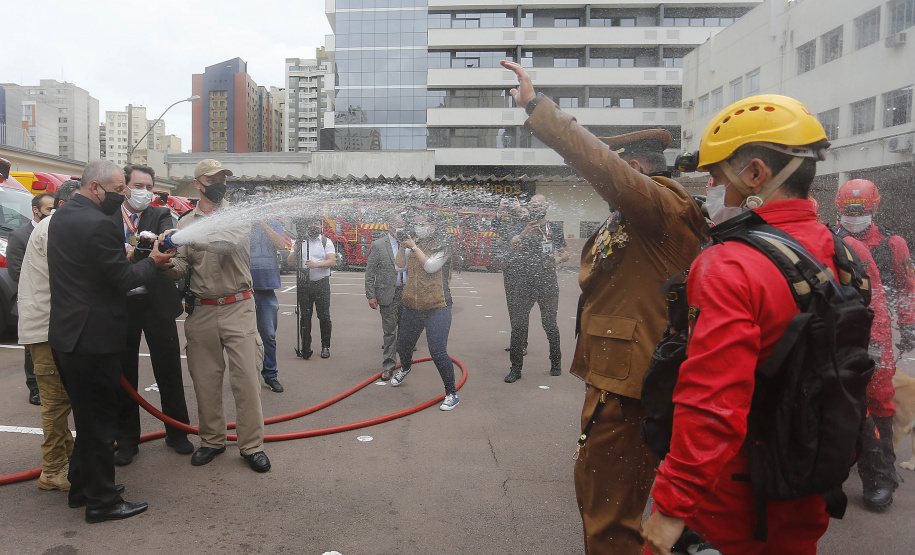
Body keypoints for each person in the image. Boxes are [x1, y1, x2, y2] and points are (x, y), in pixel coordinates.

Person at [501, 59, 706, 554]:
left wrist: (537, 108)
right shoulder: (639, 219)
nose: (609, 188)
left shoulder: (660, 206)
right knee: (603, 495)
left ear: (634, 171)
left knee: (610, 515)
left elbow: (596, 162)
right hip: (617, 375)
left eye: (619, 177)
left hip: (631, 385)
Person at [641, 95, 839, 555]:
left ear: (755, 174)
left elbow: (712, 400)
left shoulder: (730, 265)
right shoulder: (844, 253)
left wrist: (672, 505)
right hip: (808, 481)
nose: (711, 189)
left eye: (716, 176)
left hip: (731, 497)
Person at [48, 160, 174, 523]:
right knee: (100, 423)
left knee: (87, 419)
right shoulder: (100, 223)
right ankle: (102, 502)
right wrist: (155, 263)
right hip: (94, 338)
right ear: (96, 188)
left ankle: (81, 487)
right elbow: (121, 279)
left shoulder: (63, 217)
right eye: (120, 189)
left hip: (67, 334)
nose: (124, 195)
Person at [162, 159, 271, 473]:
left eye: (223, 177)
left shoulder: (236, 215)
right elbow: (182, 268)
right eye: (213, 178)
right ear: (198, 183)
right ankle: (212, 441)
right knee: (205, 380)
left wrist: (186, 239)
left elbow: (227, 244)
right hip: (202, 310)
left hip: (238, 306)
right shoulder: (184, 223)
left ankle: (251, 446)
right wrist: (164, 264)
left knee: (247, 380)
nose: (220, 182)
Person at [835, 178, 913, 511]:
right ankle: (832, 465)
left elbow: (907, 287)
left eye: (860, 210)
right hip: (836, 329)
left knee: (879, 399)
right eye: (849, 210)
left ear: (873, 208)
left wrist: (908, 324)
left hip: (877, 331)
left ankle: (880, 474)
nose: (854, 215)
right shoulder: (828, 238)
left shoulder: (892, 244)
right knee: (834, 395)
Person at [111, 164, 193, 465]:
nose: (144, 192)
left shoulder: (159, 215)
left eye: (149, 186)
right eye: (138, 186)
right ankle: (127, 440)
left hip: (156, 303)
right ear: (124, 187)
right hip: (122, 305)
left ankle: (177, 432)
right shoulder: (110, 215)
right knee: (125, 373)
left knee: (168, 369)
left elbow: (162, 244)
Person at [18, 181, 79, 492]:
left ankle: (65, 459)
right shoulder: (55, 227)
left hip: (50, 326)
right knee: (55, 402)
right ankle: (53, 468)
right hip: (47, 329)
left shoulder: (52, 225)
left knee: (62, 398)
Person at [390, 209, 460, 411]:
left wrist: (413, 246)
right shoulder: (415, 243)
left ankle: (451, 393)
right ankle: (405, 367)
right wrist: (404, 246)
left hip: (438, 306)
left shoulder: (444, 246)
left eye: (423, 224)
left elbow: (430, 266)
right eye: (417, 224)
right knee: (403, 346)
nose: (419, 227)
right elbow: (399, 267)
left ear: (433, 226)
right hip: (412, 305)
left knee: (437, 351)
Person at [503, 194, 568, 383]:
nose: (536, 207)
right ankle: (515, 368)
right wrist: (524, 234)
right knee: (518, 325)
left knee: (550, 323)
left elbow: (565, 251)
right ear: (528, 207)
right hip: (524, 281)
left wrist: (559, 258)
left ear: (547, 206)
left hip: (547, 281)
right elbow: (513, 247)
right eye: (533, 204)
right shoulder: (520, 225)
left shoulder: (555, 227)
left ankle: (556, 362)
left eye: (540, 204)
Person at [7, 192, 54, 405]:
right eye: (48, 209)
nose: (52, 213)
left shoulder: (57, 230)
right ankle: (34, 387)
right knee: (32, 346)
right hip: (31, 300)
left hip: (56, 301)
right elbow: (16, 271)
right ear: (36, 210)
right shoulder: (19, 235)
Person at [249, 197, 289, 393]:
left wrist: (262, 223)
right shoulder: (241, 226)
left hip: (266, 289)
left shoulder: (274, 224)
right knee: (241, 338)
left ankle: (270, 375)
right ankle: (246, 376)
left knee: (269, 336)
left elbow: (281, 244)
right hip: (243, 290)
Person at [365, 212, 407, 381]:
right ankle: (389, 366)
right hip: (387, 293)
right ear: (390, 227)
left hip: (407, 292)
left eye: (403, 226)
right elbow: (370, 272)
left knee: (406, 331)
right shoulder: (378, 245)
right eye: (399, 226)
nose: (402, 229)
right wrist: (370, 295)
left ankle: (406, 364)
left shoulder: (409, 244)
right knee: (390, 332)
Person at [287, 218, 335, 359]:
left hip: (321, 283)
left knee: (324, 316)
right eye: (311, 224)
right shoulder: (299, 242)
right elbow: (290, 262)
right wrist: (295, 251)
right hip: (304, 284)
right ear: (306, 226)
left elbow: (332, 261)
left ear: (320, 226)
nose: (313, 227)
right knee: (305, 316)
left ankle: (325, 346)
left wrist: (316, 265)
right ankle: (305, 346)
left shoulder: (326, 242)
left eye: (316, 224)